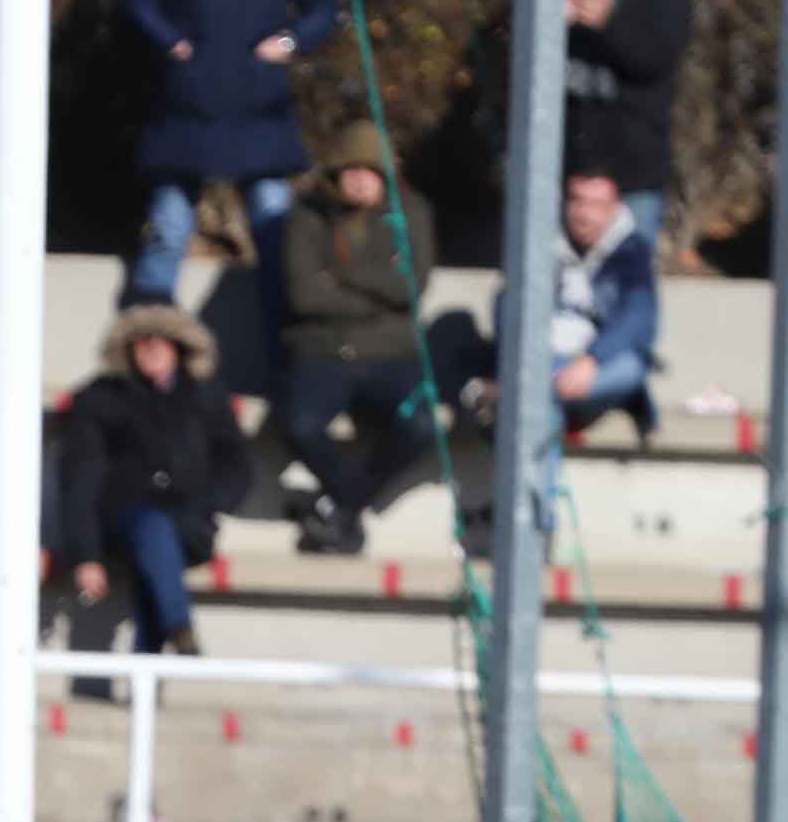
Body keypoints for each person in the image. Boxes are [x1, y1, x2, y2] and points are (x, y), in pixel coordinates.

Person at [120, 0, 338, 334]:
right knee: (169, 225)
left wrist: (288, 42)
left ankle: (287, 345)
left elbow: (323, 8)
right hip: (188, 101)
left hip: (261, 103)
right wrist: (172, 42)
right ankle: (146, 340)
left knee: (273, 225)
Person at [458, 167, 660, 547]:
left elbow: (640, 320)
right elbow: (507, 305)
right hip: (545, 370)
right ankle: (539, 529)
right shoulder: (540, 245)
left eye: (596, 204)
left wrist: (591, 360)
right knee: (541, 409)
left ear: (614, 208)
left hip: (601, 373)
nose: (584, 213)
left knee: (629, 367)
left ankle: (508, 392)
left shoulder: (632, 252)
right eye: (577, 201)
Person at [275, 120, 437, 557]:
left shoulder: (412, 212)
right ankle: (349, 505)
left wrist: (340, 278)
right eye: (352, 170)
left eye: (371, 171)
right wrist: (377, 295)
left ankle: (344, 508)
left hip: (391, 353)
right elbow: (304, 293)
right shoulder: (306, 214)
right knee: (299, 424)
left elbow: (411, 285)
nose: (361, 180)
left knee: (420, 426)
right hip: (322, 348)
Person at [58, 303, 251, 657]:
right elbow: (81, 477)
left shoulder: (205, 396)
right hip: (122, 521)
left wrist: (211, 502)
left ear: (179, 347)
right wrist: (85, 555)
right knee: (153, 529)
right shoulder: (101, 399)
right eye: (142, 341)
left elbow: (236, 462)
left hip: (190, 521)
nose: (152, 348)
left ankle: (151, 665)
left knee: (158, 553)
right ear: (127, 350)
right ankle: (179, 627)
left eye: (162, 340)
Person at [564, 0, 692, 262]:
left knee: (629, 277)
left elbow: (654, 61)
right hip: (580, 163)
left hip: (634, 167)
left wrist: (609, 25)